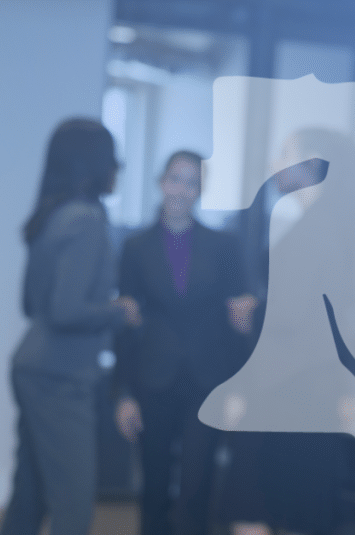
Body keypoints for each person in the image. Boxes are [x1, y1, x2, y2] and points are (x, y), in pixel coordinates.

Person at [0, 118, 139, 535]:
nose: (119, 167)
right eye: (113, 158)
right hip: (60, 377)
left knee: (29, 496)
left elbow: (31, 306)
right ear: (94, 165)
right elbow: (65, 311)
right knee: (74, 508)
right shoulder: (87, 220)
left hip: (33, 366)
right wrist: (120, 309)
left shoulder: (52, 215)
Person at [113, 150, 257, 535]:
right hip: (152, 378)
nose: (182, 189)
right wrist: (124, 393)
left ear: (200, 190)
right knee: (154, 485)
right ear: (162, 183)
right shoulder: (134, 247)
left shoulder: (224, 246)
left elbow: (238, 321)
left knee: (198, 484)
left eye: (192, 182)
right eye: (176, 179)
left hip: (207, 381)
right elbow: (125, 324)